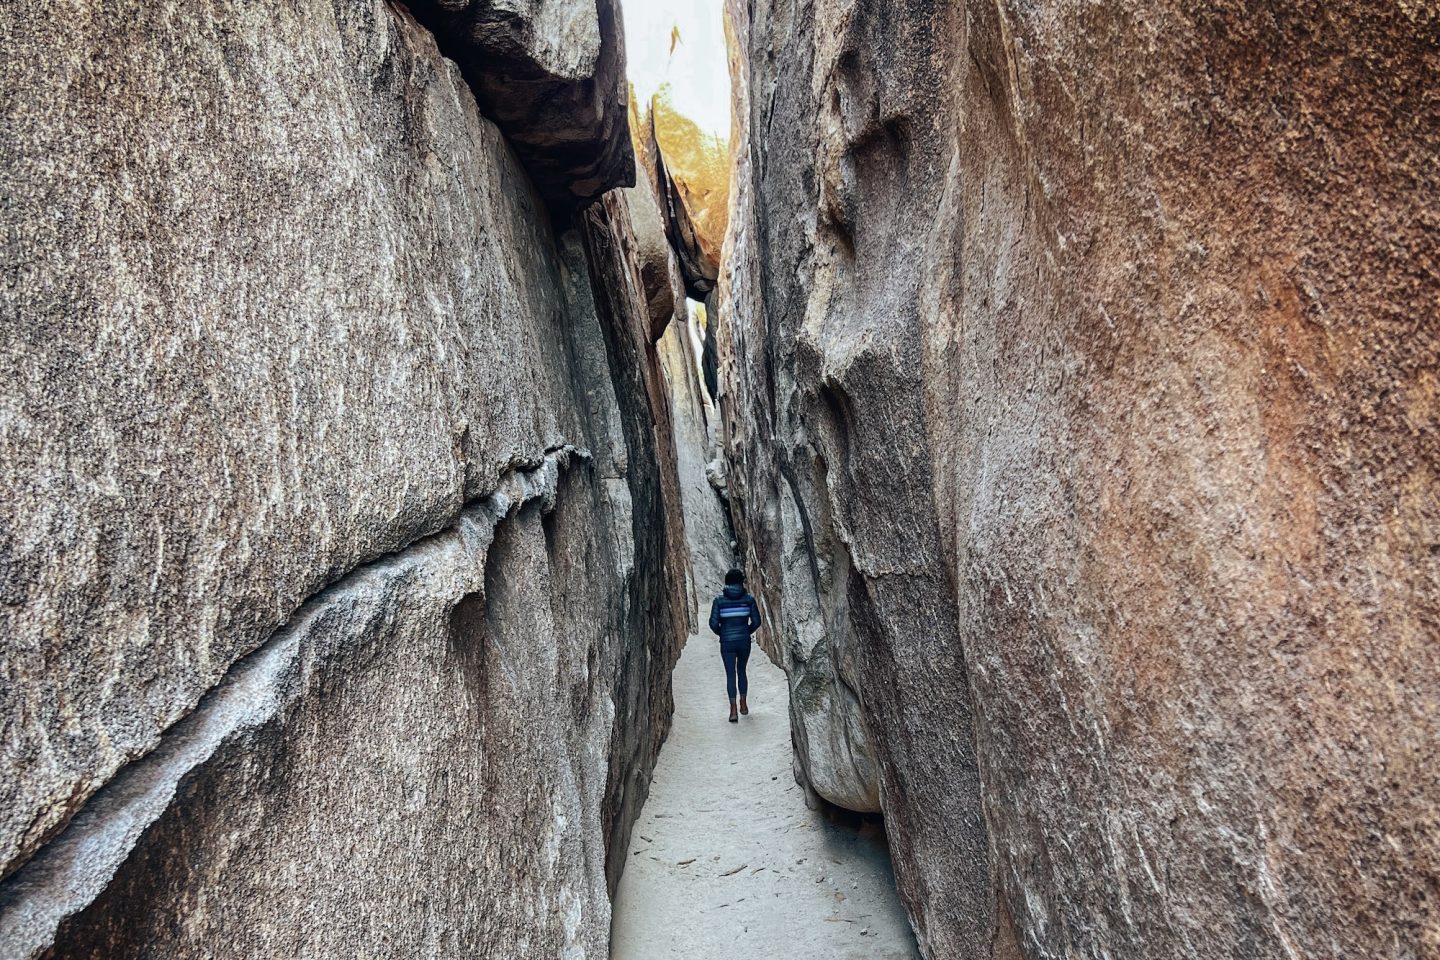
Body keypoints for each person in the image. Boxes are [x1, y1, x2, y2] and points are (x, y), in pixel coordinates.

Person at [708, 568, 762, 723]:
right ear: (741, 582)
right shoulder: (749, 599)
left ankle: (732, 710)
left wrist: (722, 633)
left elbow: (712, 623)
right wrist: (746, 631)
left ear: (727, 583)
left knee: (730, 674)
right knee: (742, 670)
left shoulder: (719, 601)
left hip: (727, 643)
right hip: (744, 641)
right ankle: (743, 704)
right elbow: (757, 621)